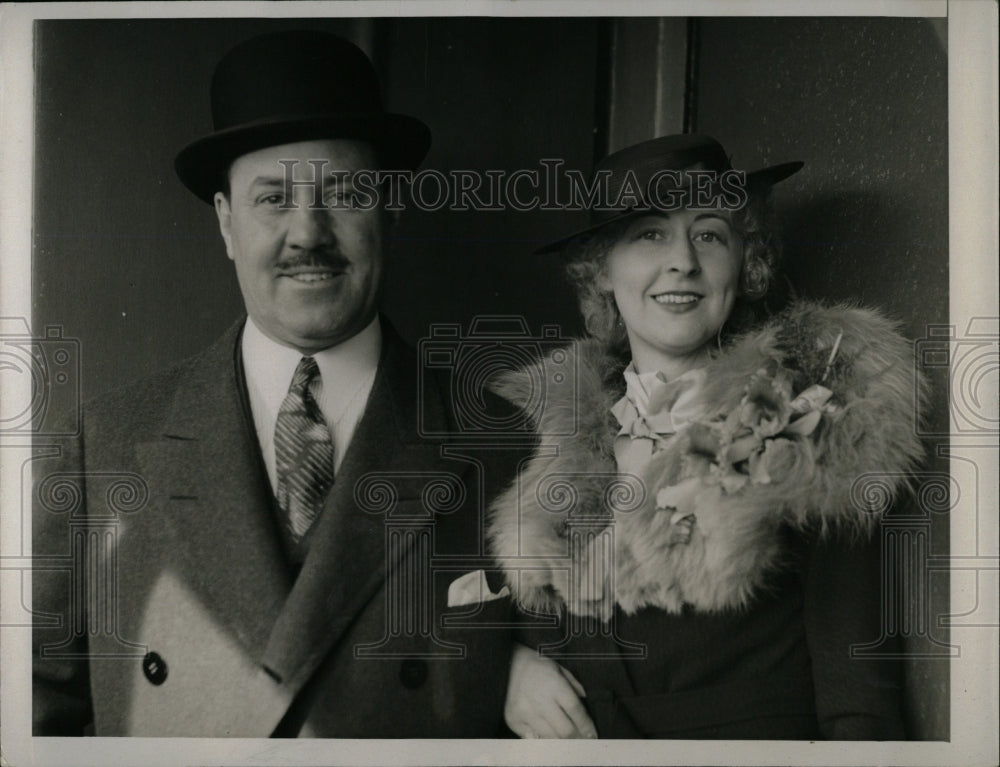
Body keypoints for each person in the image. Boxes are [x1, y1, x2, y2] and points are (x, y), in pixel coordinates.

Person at [32, 30, 518, 738]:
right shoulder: (101, 444)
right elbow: (33, 724)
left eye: (344, 193)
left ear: (390, 209)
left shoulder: (509, 445)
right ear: (227, 223)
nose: (307, 232)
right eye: (272, 199)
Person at [488, 134, 921, 739]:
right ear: (602, 270)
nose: (684, 262)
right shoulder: (527, 427)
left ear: (745, 262)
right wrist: (502, 668)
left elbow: (857, 700)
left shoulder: (813, 416)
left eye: (710, 233)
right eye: (649, 233)